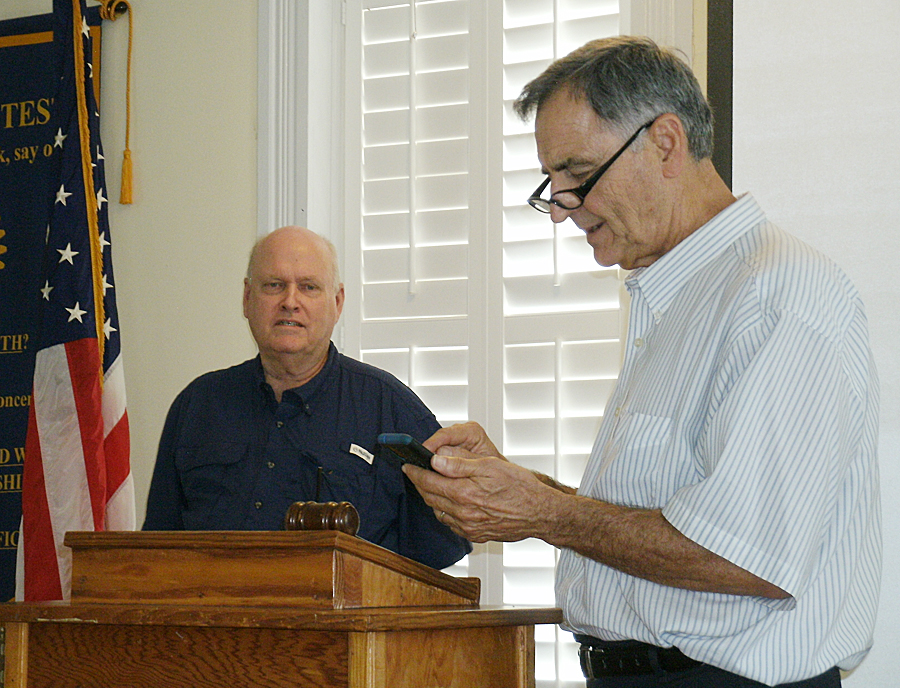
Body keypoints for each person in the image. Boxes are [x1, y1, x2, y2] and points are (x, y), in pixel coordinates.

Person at [402, 37, 881, 687]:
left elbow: (748, 559)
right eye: (554, 185)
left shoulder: (778, 296)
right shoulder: (679, 298)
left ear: (664, 143)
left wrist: (543, 513)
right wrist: (521, 491)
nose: (562, 209)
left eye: (578, 173)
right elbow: (666, 521)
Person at [143, 226, 470, 570]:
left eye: (309, 287)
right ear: (246, 298)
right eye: (274, 285)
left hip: (347, 622)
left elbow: (438, 558)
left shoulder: (391, 410)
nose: (290, 301)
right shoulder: (198, 406)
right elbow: (157, 553)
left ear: (338, 302)